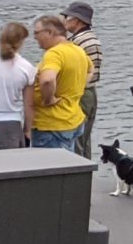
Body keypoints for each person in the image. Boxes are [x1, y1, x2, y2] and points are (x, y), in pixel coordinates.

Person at [26, 14, 89, 152]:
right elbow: (91, 70)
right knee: (66, 166)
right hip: (72, 118)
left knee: (49, 169)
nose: (34, 37)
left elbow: (47, 80)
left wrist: (49, 99)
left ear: (50, 32)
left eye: (37, 33)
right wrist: (75, 88)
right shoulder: (78, 50)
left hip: (52, 125)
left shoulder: (54, 54)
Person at [62, 2, 103, 156]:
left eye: (67, 17)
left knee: (76, 139)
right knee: (84, 140)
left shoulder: (78, 42)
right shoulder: (91, 38)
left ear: (77, 20)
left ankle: (78, 176)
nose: (64, 20)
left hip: (81, 93)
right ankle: (86, 175)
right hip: (91, 92)